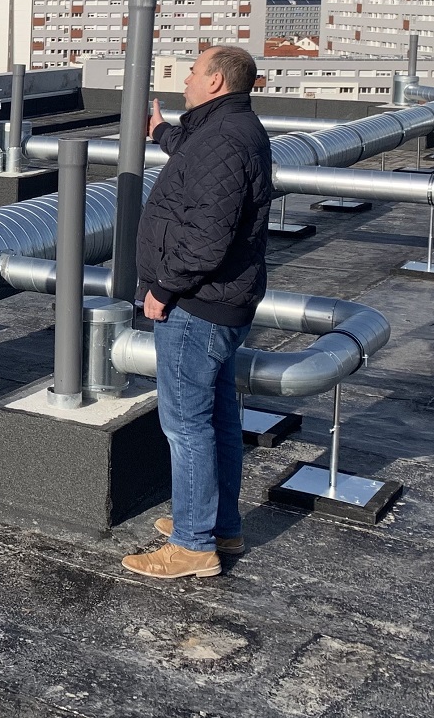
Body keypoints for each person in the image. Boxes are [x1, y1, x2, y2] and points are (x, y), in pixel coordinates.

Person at [123, 44, 272, 579]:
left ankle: (192, 545)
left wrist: (164, 287)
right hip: (220, 302)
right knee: (218, 419)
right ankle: (218, 524)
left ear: (215, 82)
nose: (185, 79)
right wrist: (162, 131)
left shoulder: (224, 137)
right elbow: (198, 158)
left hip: (197, 305)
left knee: (186, 425)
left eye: (192, 72)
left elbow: (208, 236)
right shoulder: (230, 128)